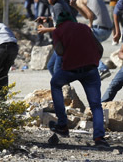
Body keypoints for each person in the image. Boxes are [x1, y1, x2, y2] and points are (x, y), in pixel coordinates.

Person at [46, 10, 110, 148]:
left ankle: (62, 124)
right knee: (96, 105)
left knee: (55, 83)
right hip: (91, 70)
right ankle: (99, 138)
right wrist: (93, 61)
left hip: (71, 69)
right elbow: (100, 48)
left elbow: (60, 51)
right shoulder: (84, 27)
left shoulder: (58, 31)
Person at [68, 0, 113, 79]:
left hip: (99, 29)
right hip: (107, 30)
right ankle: (97, 69)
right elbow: (87, 15)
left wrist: (90, 26)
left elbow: (90, 16)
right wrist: (75, 7)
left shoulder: (80, 0)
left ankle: (102, 68)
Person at [36, 0, 77, 75]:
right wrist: (48, 19)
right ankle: (63, 86)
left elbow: (62, 27)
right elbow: (61, 18)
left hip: (66, 43)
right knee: (51, 66)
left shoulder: (57, 6)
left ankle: (62, 86)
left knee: (57, 69)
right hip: (63, 42)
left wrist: (45, 30)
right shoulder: (59, 3)